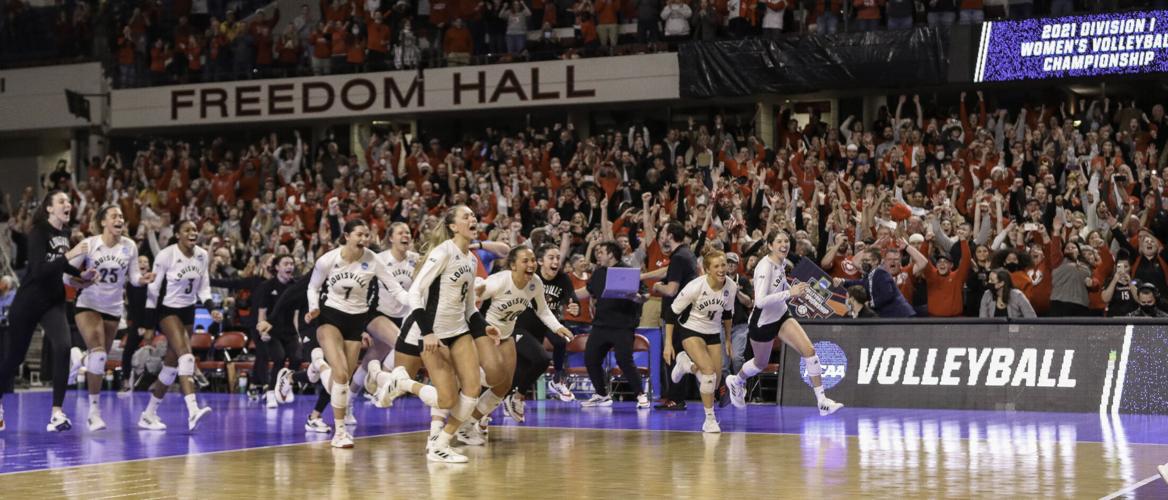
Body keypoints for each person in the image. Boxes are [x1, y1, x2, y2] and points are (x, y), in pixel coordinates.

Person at [451, 246, 574, 445]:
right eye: (525, 260)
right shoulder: (499, 281)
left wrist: (558, 327)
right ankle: (460, 398)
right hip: (486, 332)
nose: (531, 264)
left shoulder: (535, 283)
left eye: (533, 260)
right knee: (492, 376)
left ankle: (468, 425)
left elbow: (542, 310)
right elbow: (472, 298)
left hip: (507, 334)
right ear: (513, 265)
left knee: (504, 386)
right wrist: (478, 289)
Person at [304, 219, 408, 449]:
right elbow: (313, 286)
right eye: (359, 234)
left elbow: (395, 287)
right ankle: (340, 432)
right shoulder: (328, 260)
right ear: (347, 236)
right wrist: (313, 307)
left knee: (340, 382)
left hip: (356, 322)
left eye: (367, 235)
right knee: (341, 374)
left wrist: (412, 303)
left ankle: (319, 364)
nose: (363, 239)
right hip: (330, 318)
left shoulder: (373, 259)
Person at [391, 205, 484, 463]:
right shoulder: (443, 252)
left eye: (473, 215)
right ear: (454, 226)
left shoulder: (472, 260)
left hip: (459, 331)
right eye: (466, 216)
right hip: (434, 332)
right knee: (447, 398)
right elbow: (415, 293)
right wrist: (428, 331)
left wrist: (484, 326)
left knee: (473, 390)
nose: (472, 218)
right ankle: (403, 383)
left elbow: (469, 307)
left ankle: (441, 444)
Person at [0, 191, 92, 432]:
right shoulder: (38, 232)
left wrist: (81, 277)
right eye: (61, 201)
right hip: (29, 301)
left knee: (63, 346)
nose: (67, 204)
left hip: (53, 300)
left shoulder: (65, 233)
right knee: (14, 359)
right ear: (49, 208)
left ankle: (57, 413)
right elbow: (40, 270)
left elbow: (62, 268)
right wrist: (71, 255)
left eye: (68, 201)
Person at [726, 231, 844, 415]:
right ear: (770, 245)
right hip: (762, 322)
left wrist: (794, 290)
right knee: (760, 364)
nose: (784, 244)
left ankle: (822, 401)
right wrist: (791, 293)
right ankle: (737, 380)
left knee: (809, 351)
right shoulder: (764, 267)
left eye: (786, 241)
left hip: (781, 315)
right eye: (779, 241)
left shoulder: (780, 262)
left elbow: (779, 286)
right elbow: (760, 301)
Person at [66, 206, 154, 431]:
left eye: (122, 217)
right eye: (114, 216)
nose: (120, 220)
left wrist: (142, 280)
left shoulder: (130, 246)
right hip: (88, 303)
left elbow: (133, 277)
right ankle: (94, 412)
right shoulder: (90, 244)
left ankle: (80, 359)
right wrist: (81, 279)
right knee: (99, 354)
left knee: (98, 361)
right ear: (103, 221)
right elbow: (67, 275)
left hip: (113, 308)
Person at [139, 220, 219, 432]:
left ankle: (148, 414)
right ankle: (193, 410)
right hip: (166, 310)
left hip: (188, 310)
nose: (193, 233)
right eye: (187, 230)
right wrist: (148, 325)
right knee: (187, 355)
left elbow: (204, 288)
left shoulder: (202, 255)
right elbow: (153, 291)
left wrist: (212, 308)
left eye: (194, 229)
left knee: (171, 365)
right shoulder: (166, 255)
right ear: (177, 235)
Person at [667, 250, 736, 433]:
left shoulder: (731, 286)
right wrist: (667, 344)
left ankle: (686, 366)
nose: (721, 269)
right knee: (708, 371)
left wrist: (728, 339)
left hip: (713, 332)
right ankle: (709, 419)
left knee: (714, 380)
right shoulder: (695, 287)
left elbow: (728, 314)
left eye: (723, 265)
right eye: (716, 266)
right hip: (691, 329)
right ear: (707, 270)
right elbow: (671, 313)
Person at [580, 241, 651, 409]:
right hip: (601, 325)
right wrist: (567, 295)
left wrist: (637, 298)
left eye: (601, 252)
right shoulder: (598, 273)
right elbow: (587, 291)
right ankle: (602, 395)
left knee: (624, 360)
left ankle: (641, 395)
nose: (598, 255)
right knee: (591, 358)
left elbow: (645, 294)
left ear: (611, 254)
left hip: (623, 326)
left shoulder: (628, 271)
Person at [516, 244, 579, 404]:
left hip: (550, 321)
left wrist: (575, 306)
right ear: (540, 261)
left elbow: (571, 297)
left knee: (560, 340)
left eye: (558, 258)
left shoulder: (563, 278)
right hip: (528, 323)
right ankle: (514, 394)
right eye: (551, 258)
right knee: (525, 363)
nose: (556, 261)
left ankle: (557, 379)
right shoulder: (532, 277)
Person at [654, 222, 698, 411]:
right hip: (686, 315)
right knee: (679, 355)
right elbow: (666, 272)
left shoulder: (678, 257)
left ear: (670, 235)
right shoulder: (685, 253)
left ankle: (675, 398)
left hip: (677, 316)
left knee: (672, 354)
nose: (660, 236)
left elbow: (671, 290)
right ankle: (675, 396)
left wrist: (657, 287)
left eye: (663, 232)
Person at [253, 254, 299, 408]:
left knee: (297, 357)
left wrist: (299, 335)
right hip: (272, 331)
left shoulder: (295, 286)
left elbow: (297, 315)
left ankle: (286, 387)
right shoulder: (268, 286)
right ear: (277, 267)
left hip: (290, 331)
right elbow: (262, 313)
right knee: (279, 358)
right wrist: (262, 332)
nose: (289, 267)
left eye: (291, 264)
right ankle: (271, 393)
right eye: (285, 263)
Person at [836, 246, 916, 318]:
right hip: (893, 317)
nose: (864, 263)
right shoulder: (870, 275)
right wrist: (843, 281)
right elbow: (858, 283)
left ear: (876, 261)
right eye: (863, 260)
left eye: (867, 260)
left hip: (901, 316)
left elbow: (887, 295)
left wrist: (870, 304)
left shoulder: (881, 273)